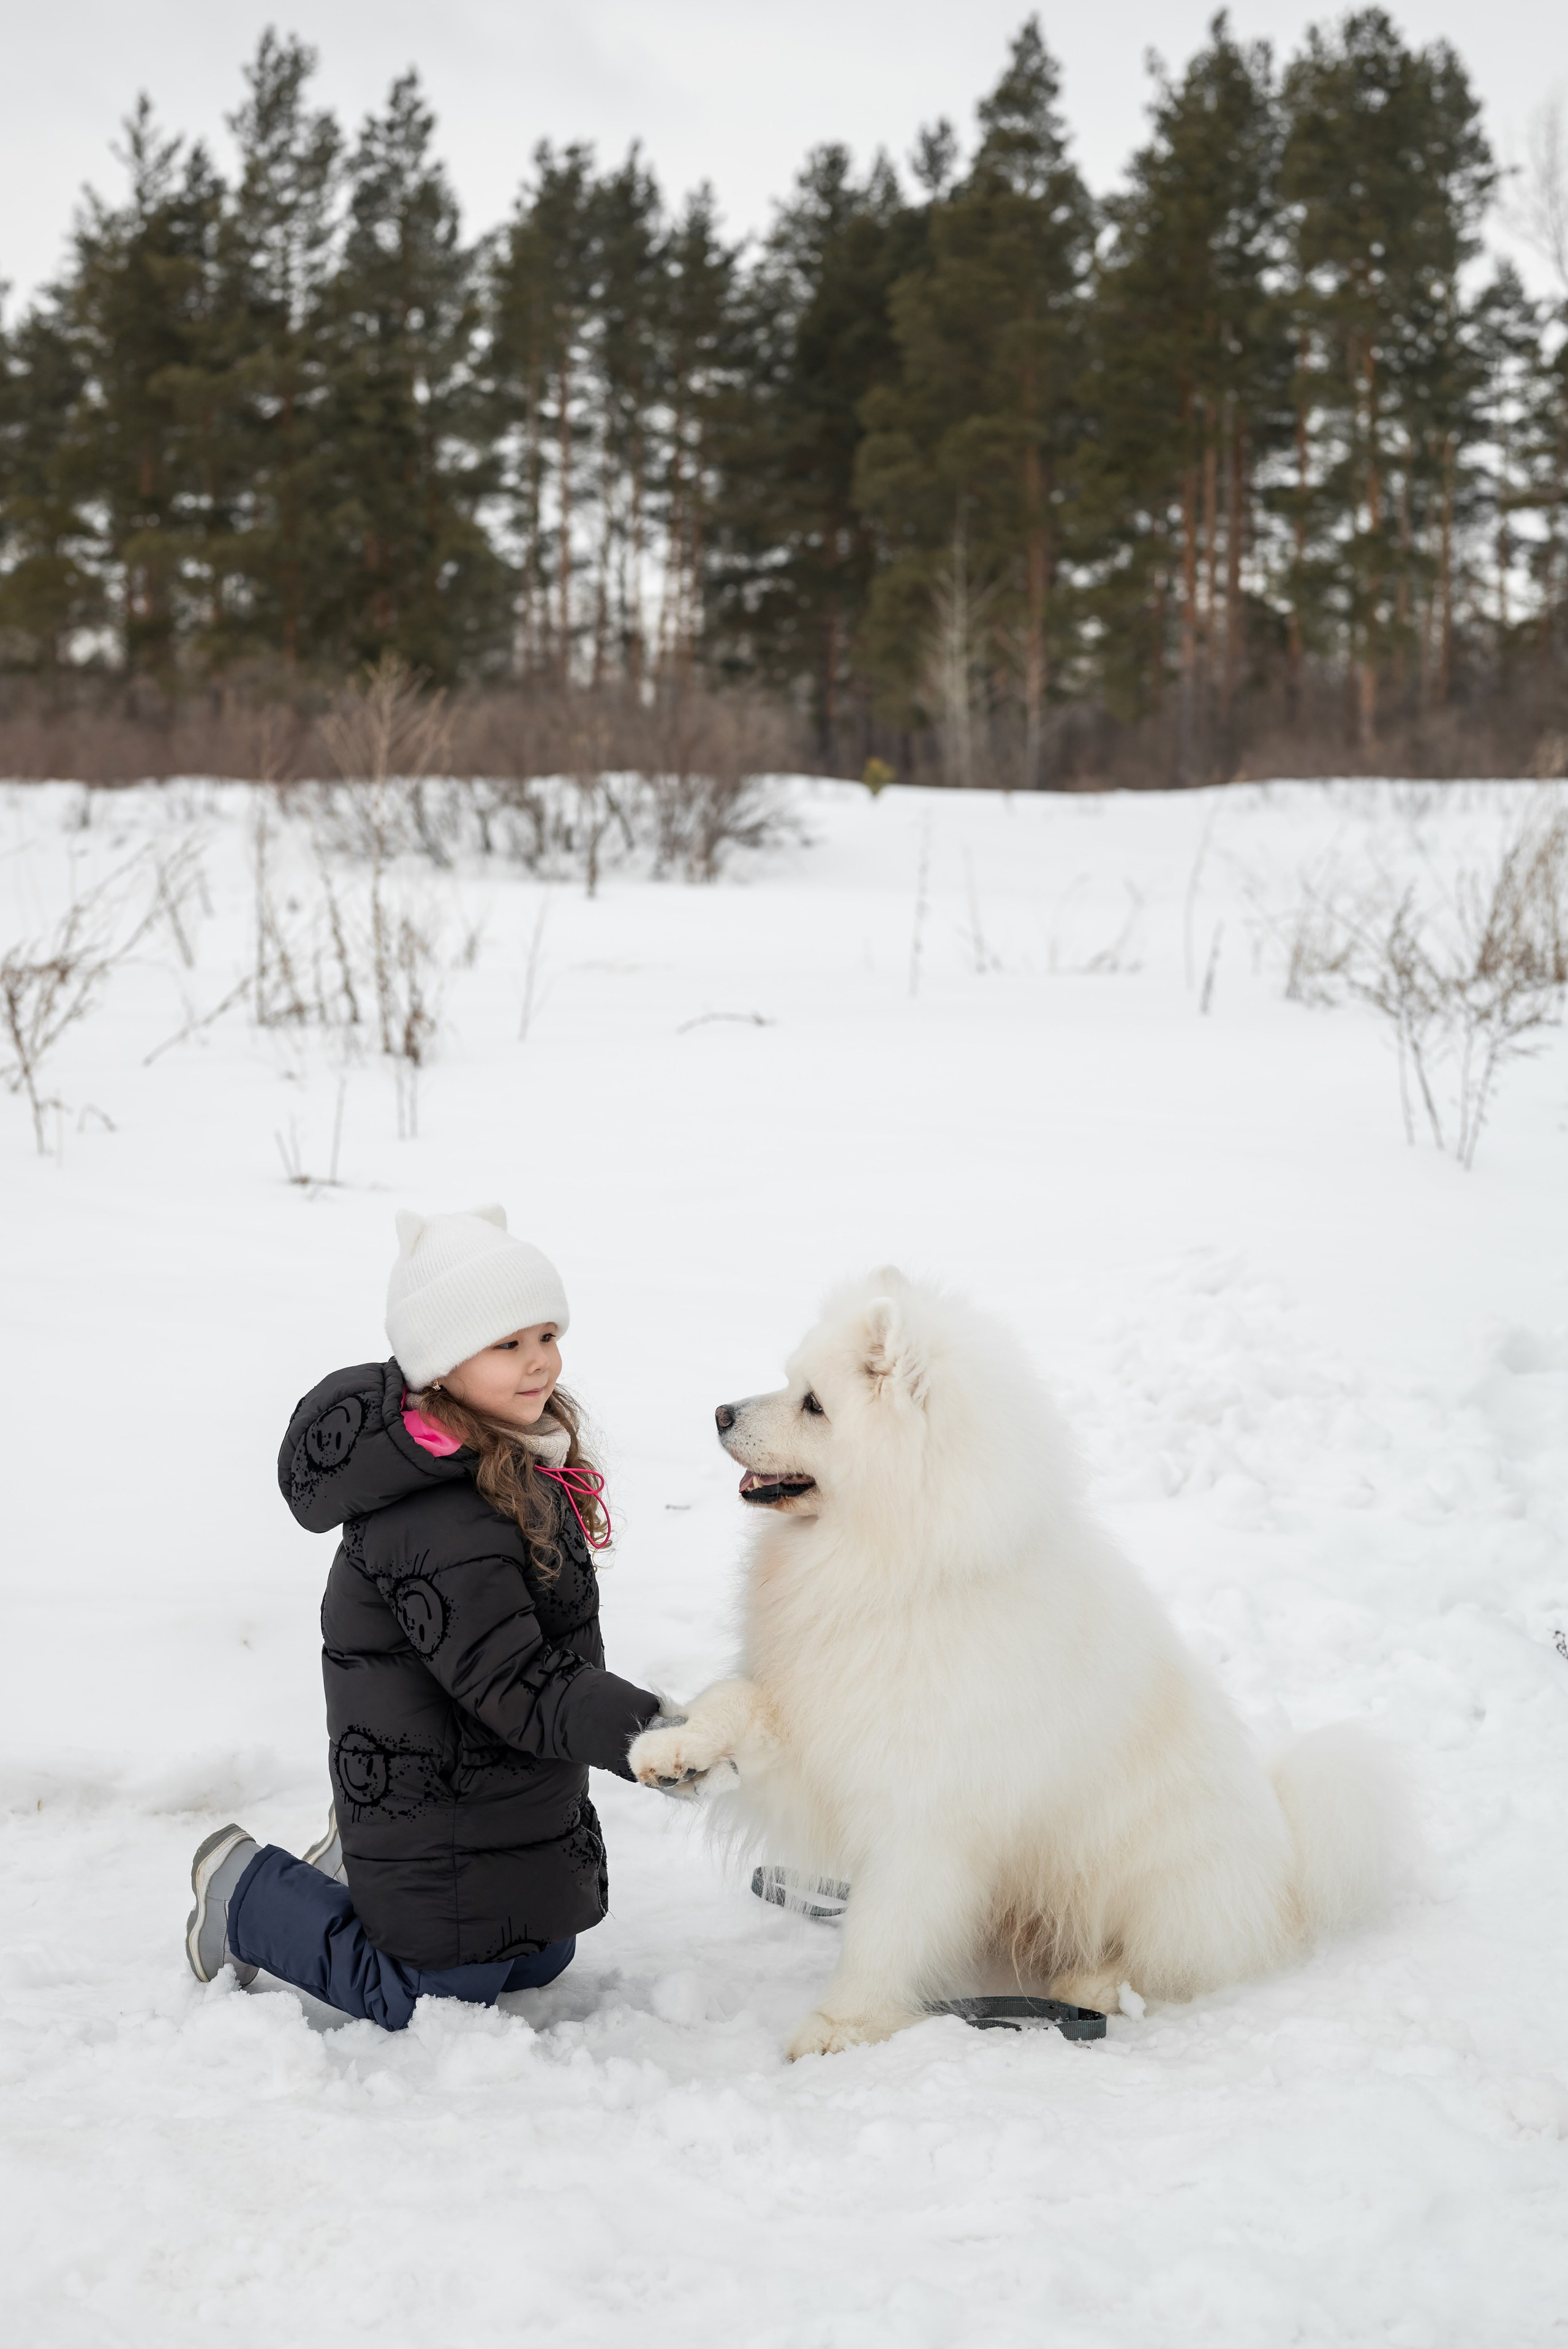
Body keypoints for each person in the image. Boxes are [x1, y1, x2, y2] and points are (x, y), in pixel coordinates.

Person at [184, 1204, 662, 2030]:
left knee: (543, 1958)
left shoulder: (518, 1457)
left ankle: (354, 1867)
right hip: (429, 1794)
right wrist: (655, 1735)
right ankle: (245, 1893)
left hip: (491, 1789)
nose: (539, 1361)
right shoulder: (437, 1514)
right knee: (428, 1998)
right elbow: (517, 1680)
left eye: (546, 1335)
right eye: (507, 1344)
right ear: (441, 1366)